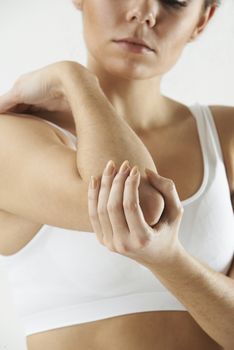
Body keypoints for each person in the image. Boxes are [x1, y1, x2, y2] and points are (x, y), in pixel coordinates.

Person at [0, 0, 233, 349]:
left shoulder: (226, 136)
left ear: (203, 19)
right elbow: (139, 203)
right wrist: (76, 80)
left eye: (175, 0)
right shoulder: (13, 135)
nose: (145, 12)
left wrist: (170, 260)